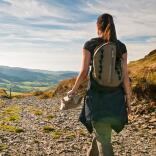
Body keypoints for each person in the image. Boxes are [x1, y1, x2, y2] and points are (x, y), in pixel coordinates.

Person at [67, 13, 132, 156]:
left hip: (96, 98)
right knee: (102, 132)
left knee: (103, 138)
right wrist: (128, 100)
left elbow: (84, 72)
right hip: (116, 99)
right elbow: (125, 76)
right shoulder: (121, 47)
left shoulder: (90, 44)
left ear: (98, 26)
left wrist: (73, 91)